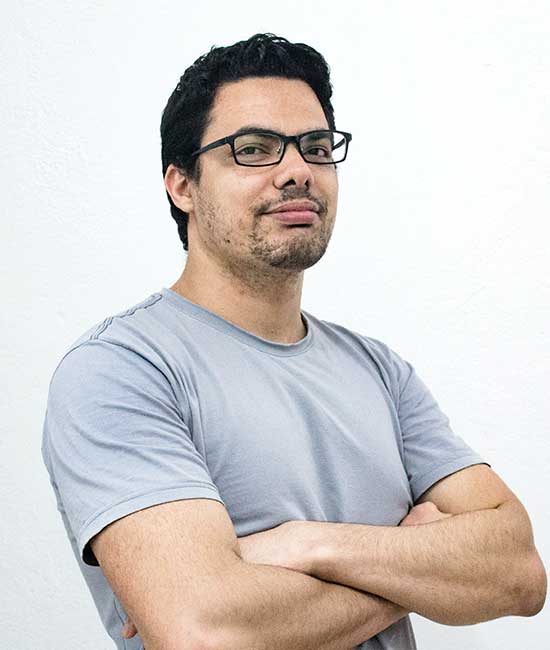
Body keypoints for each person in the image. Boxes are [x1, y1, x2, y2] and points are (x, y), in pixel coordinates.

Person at [41, 32, 546, 650]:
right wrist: (417, 564)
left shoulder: (379, 371)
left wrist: (308, 544)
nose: (297, 171)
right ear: (182, 185)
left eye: (316, 148)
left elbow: (519, 573)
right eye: (253, 149)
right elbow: (208, 633)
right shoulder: (122, 370)